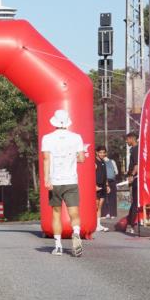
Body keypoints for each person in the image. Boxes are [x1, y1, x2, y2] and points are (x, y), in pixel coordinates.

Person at [41, 109, 87, 257]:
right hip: (71, 180)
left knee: (56, 214)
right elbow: (81, 158)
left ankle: (58, 246)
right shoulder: (76, 138)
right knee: (74, 212)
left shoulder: (47, 138)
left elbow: (46, 159)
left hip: (55, 181)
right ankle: (76, 233)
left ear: (54, 121)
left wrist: (46, 178)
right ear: (67, 122)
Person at [124, 132, 139, 233]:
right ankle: (130, 222)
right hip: (134, 177)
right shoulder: (133, 149)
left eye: (127, 139)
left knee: (135, 201)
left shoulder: (136, 149)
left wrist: (131, 175)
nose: (126, 141)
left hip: (136, 178)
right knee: (134, 201)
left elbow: (136, 165)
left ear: (131, 139)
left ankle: (132, 224)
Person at [94, 146, 110, 232]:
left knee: (100, 206)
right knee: (95, 206)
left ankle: (98, 224)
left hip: (103, 186)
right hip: (96, 186)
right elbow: (91, 175)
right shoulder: (94, 162)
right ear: (96, 152)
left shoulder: (103, 161)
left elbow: (105, 175)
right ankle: (94, 224)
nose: (102, 154)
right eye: (100, 152)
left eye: (104, 152)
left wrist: (107, 185)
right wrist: (94, 186)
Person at [103, 148, 118, 218]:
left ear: (106, 153)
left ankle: (113, 213)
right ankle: (106, 213)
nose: (103, 154)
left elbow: (116, 171)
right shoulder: (100, 161)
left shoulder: (112, 161)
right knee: (104, 197)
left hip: (112, 181)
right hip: (104, 181)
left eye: (104, 153)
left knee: (112, 197)